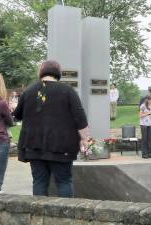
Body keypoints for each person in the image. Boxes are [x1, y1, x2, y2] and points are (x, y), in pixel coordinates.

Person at [14, 60, 89, 198]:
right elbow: (80, 118)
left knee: (39, 182)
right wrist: (85, 139)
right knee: (64, 181)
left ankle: (38, 214)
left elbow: (17, 115)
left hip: (33, 145)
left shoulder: (28, 91)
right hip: (61, 146)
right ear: (58, 73)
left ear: (40, 72)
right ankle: (66, 215)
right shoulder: (68, 91)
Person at [139, 87, 151, 154]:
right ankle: (146, 151)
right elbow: (141, 111)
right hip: (145, 120)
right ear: (148, 92)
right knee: (146, 137)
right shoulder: (143, 99)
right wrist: (149, 113)